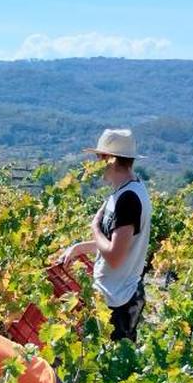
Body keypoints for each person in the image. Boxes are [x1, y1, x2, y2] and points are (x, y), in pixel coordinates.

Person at [61, 128, 152, 341]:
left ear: (110, 160)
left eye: (98, 157)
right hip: (112, 295)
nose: (95, 164)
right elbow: (119, 243)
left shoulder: (128, 199)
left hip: (119, 301)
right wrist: (80, 248)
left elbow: (114, 255)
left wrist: (94, 226)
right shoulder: (124, 191)